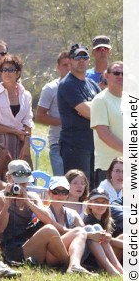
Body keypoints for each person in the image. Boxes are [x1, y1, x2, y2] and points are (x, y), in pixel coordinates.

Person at [0, 160, 71, 268]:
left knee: (63, 231)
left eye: (24, 182)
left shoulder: (32, 196)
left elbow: (48, 220)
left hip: (30, 242)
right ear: (8, 177)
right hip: (11, 250)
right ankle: (69, 264)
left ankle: (74, 263)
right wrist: (8, 202)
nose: (22, 186)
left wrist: (28, 202)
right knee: (49, 230)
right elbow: (0, 229)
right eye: (18, 182)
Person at [57, 44, 100, 186]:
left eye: (85, 57)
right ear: (70, 60)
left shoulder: (92, 84)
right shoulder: (68, 84)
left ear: (89, 60)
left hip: (93, 144)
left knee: (93, 188)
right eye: (77, 57)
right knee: (77, 188)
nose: (81, 60)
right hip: (74, 146)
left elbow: (103, 108)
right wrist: (92, 109)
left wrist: (91, 109)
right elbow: (88, 112)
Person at [0, 54, 33, 162]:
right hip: (1, 144)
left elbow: (28, 121)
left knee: (22, 176)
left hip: (21, 142)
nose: (7, 72)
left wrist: (26, 144)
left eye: (11, 69)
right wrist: (16, 132)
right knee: (2, 176)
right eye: (4, 70)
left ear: (18, 73)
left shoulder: (26, 95)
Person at [44, 175, 94, 275]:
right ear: (49, 193)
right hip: (50, 253)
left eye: (64, 192)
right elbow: (80, 232)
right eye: (56, 191)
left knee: (92, 229)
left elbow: (85, 230)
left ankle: (111, 268)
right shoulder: (45, 211)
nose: (60, 195)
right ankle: (74, 265)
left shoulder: (72, 213)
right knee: (81, 231)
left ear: (68, 194)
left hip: (66, 251)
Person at [35, 51, 70, 175]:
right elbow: (39, 116)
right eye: (65, 65)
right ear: (58, 67)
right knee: (60, 183)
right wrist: (65, 122)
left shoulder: (83, 86)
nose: (69, 68)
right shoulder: (50, 88)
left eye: (71, 64)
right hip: (58, 142)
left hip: (78, 144)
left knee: (79, 184)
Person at [90, 60, 123, 185]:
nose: (120, 76)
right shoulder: (100, 100)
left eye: (123, 74)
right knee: (107, 204)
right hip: (108, 168)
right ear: (106, 76)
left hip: (131, 167)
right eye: (116, 73)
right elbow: (103, 133)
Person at [82, 188, 123, 276]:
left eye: (103, 202)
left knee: (123, 237)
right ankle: (118, 269)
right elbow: (106, 239)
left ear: (108, 205)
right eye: (97, 202)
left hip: (100, 256)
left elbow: (108, 241)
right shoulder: (90, 220)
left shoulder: (105, 221)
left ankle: (120, 268)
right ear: (89, 205)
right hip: (92, 259)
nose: (100, 205)